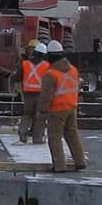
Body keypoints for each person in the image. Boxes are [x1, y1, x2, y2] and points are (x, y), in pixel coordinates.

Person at [38, 39, 87, 172]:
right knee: (72, 135)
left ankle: (59, 166)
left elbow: (46, 96)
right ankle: (80, 161)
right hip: (71, 107)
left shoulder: (50, 74)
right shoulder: (73, 70)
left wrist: (42, 111)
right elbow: (76, 87)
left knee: (55, 137)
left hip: (57, 110)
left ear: (49, 56)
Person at [17, 40, 49, 144]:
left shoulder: (25, 64)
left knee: (27, 114)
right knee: (39, 117)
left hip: (27, 95)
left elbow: (17, 77)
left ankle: (22, 131)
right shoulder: (46, 66)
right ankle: (37, 138)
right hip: (40, 95)